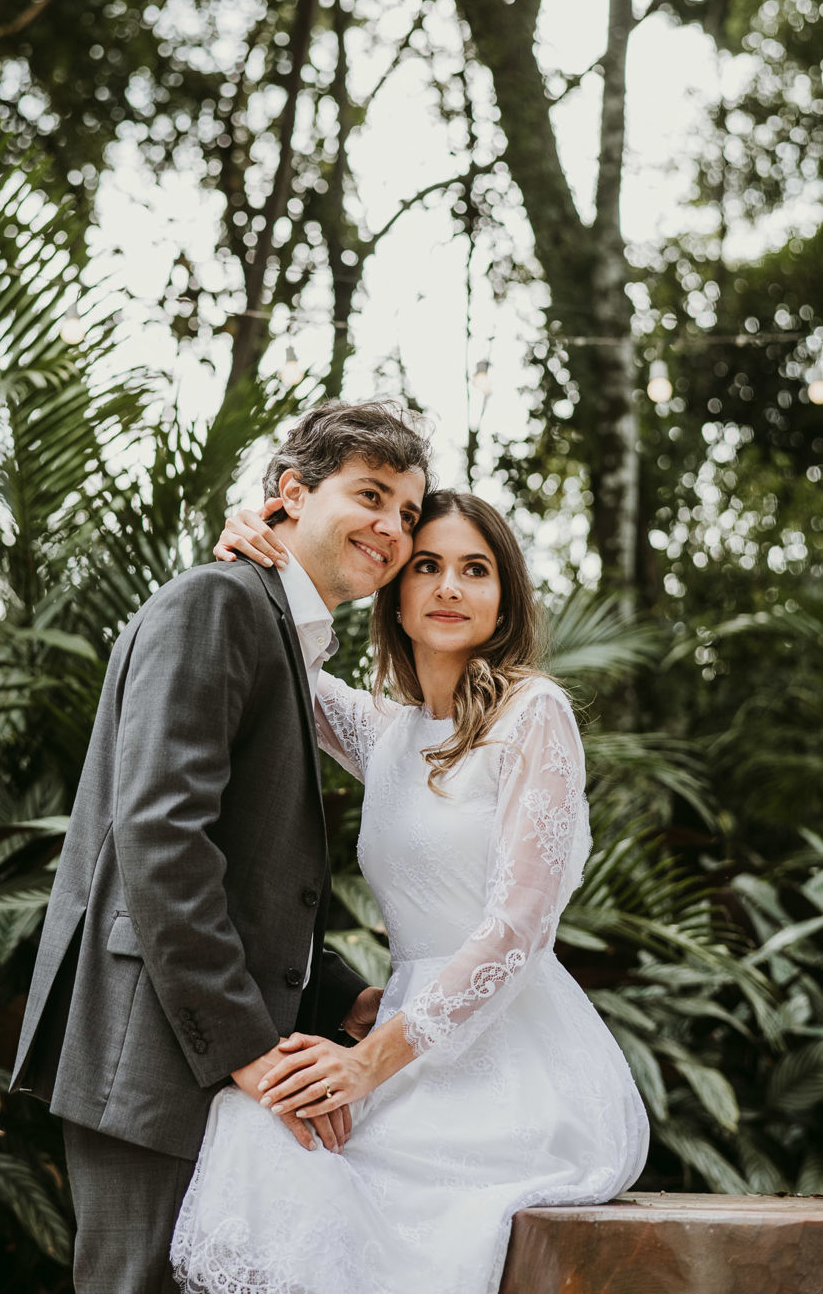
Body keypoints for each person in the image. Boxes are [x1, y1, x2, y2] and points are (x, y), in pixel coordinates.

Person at [171, 489, 649, 1294]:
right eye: (426, 566)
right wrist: (264, 548)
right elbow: (288, 658)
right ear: (394, 587)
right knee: (260, 1129)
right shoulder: (385, 732)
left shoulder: (535, 715)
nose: (450, 587)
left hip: (513, 1053)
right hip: (397, 1032)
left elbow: (519, 930)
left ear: (505, 599)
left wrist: (365, 1067)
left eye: (476, 569)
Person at [9, 400, 431, 1292]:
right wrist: (243, 1043)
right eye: (371, 495)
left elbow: (248, 871)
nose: (392, 528)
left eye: (407, 513)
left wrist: (343, 999)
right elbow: (163, 840)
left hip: (197, 1050)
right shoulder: (218, 603)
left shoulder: (281, 632)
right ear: (291, 494)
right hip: (158, 1052)